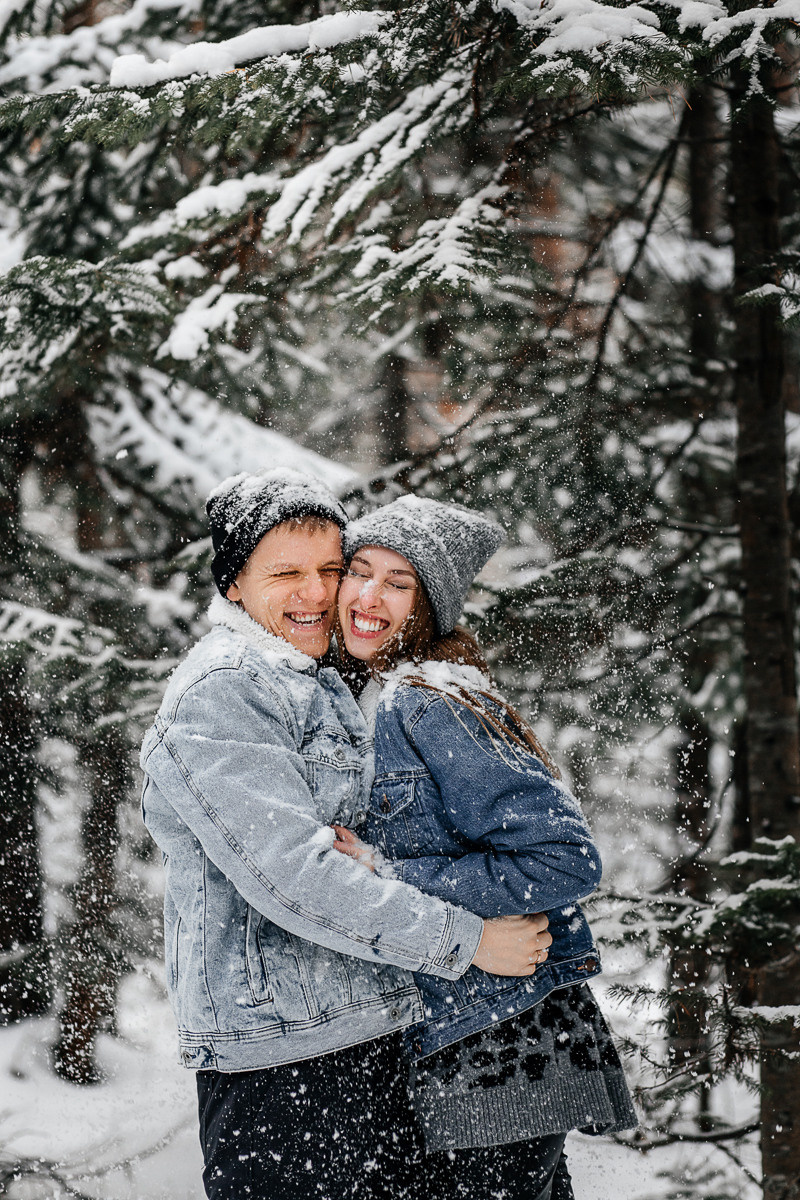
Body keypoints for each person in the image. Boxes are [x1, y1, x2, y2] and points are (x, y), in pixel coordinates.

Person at [139, 468, 553, 1200]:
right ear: (233, 584)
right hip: (282, 1060)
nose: (316, 593)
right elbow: (295, 879)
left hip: (373, 1033)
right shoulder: (224, 691)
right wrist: (467, 940)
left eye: (331, 570)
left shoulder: (319, 679)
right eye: (286, 573)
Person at [332, 495, 637, 1200]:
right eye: (360, 571)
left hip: (501, 1043)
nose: (369, 597)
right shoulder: (369, 695)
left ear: (428, 607)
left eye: (398, 583)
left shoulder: (426, 703)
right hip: (467, 1037)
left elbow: (564, 861)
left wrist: (387, 871)